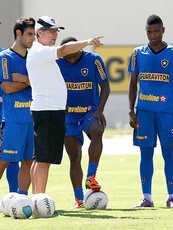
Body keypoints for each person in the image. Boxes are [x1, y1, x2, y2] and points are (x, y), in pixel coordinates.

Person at [26, 15, 104, 195]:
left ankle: (37, 197)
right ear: (39, 33)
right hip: (46, 111)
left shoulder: (43, 52)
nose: (54, 35)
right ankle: (39, 198)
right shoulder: (40, 51)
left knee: (40, 158)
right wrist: (87, 41)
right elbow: (64, 49)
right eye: (50, 31)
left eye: (56, 31)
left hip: (51, 111)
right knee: (43, 160)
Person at [128, 14, 173, 208]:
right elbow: (132, 84)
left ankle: (171, 197)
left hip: (166, 112)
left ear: (163, 30)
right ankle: (146, 197)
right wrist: (131, 110)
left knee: (168, 153)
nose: (153, 35)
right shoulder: (138, 53)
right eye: (149, 32)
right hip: (144, 112)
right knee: (145, 155)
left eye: (156, 31)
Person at [57, 36, 110, 208]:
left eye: (74, 55)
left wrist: (99, 110)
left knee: (98, 130)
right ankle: (79, 199)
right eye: (68, 56)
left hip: (89, 111)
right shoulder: (57, 63)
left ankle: (91, 176)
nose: (71, 59)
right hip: (69, 116)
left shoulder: (94, 60)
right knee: (74, 157)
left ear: (80, 49)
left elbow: (106, 87)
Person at [0, 17, 35, 195]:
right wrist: (30, 81)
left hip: (32, 119)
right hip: (13, 119)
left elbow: (39, 83)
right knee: (4, 160)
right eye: (29, 34)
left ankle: (22, 198)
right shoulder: (5, 57)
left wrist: (23, 78)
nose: (33, 39)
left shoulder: (34, 58)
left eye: (34, 35)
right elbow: (7, 87)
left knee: (29, 160)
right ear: (18, 33)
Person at [0, 19, 20, 193]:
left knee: (12, 157)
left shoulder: (5, 55)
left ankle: (15, 198)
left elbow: (9, 82)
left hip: (5, 114)